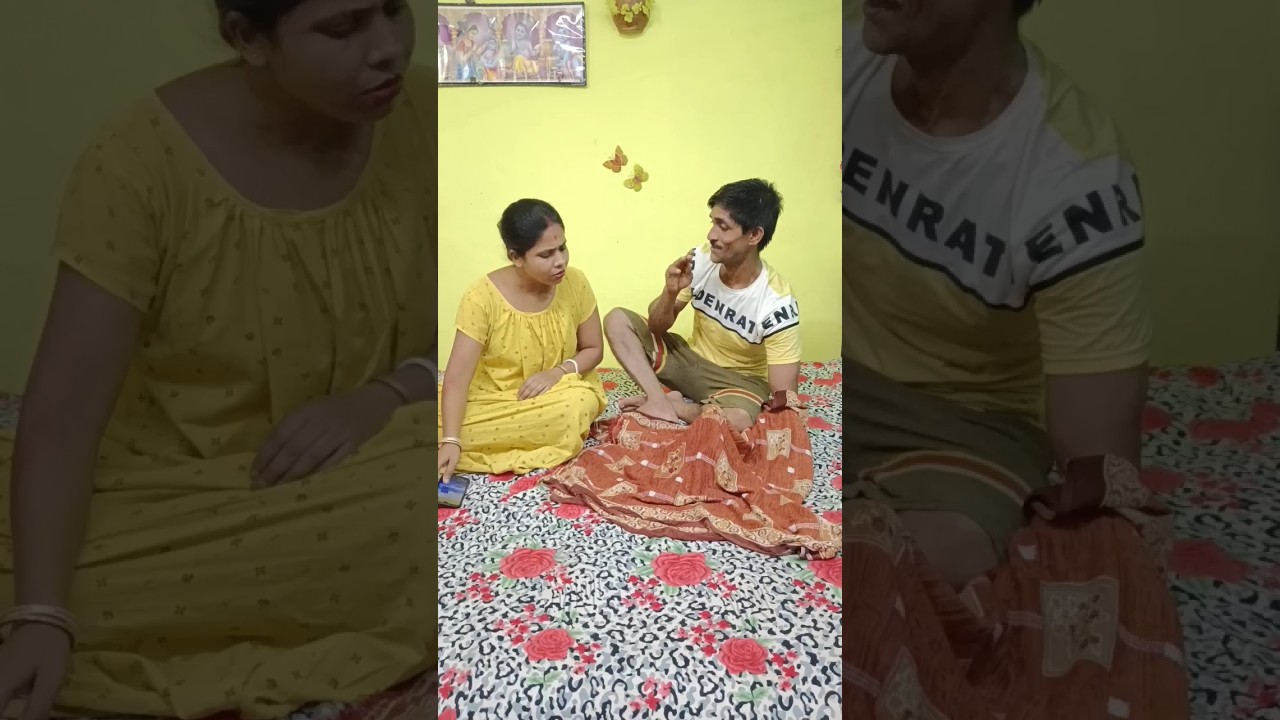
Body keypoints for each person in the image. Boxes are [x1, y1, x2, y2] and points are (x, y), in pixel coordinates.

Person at [0, 1, 435, 718]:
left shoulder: (427, 113)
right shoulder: (139, 166)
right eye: (343, 27)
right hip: (177, 486)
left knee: (444, 498)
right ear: (247, 38)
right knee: (38, 578)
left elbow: (469, 332)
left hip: (370, 455)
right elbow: (61, 422)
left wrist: (385, 395)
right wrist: (42, 611)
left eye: (394, 8)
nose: (387, 45)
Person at [843, 0, 1150, 588]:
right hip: (834, 379)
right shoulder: (844, 57)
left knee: (941, 554)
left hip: (965, 425)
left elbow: (1101, 474)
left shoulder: (1078, 180)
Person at [603, 179, 802, 433]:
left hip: (739, 382)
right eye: (713, 223)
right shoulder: (702, 258)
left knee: (739, 420)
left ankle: (675, 406)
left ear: (754, 235)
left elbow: (785, 395)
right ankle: (658, 400)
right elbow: (656, 327)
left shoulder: (777, 303)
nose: (711, 235)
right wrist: (670, 292)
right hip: (690, 361)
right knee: (617, 319)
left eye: (723, 227)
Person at [437, 199, 607, 481]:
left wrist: (557, 373)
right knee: (436, 419)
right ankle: (456, 442)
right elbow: (456, 379)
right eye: (546, 254)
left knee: (577, 405)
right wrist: (452, 439)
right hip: (493, 399)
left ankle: (470, 440)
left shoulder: (575, 282)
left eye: (563, 248)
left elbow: (594, 348)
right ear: (516, 257)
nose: (560, 261)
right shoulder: (481, 298)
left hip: (556, 394)